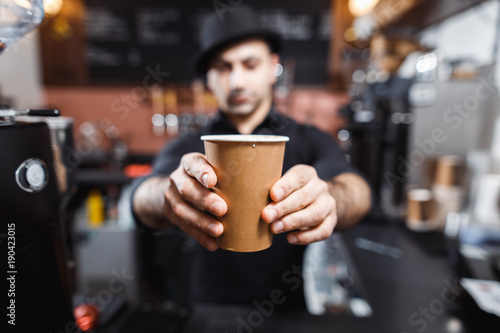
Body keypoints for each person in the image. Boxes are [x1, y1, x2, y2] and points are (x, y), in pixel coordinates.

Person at [132, 6, 372, 309]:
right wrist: (166, 195)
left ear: (273, 66)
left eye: (250, 64)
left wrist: (331, 199)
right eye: (222, 67)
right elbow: (142, 194)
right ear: (209, 78)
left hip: (288, 311)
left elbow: (357, 189)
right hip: (209, 310)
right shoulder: (191, 147)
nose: (237, 81)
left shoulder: (308, 139)